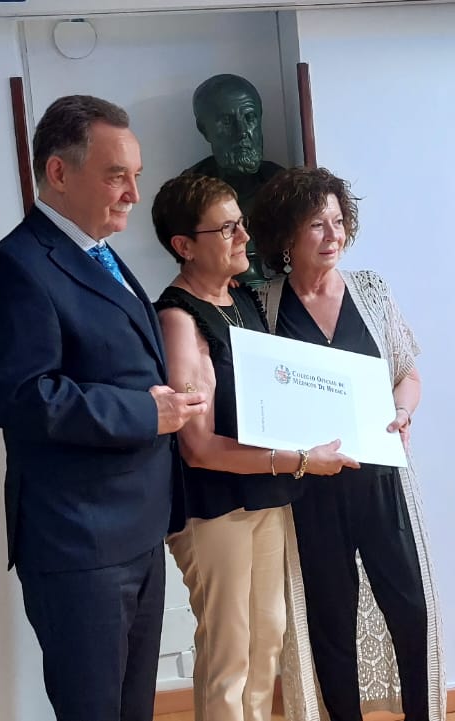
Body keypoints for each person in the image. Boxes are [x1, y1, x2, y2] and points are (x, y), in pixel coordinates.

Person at [0, 94, 207, 721]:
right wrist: (142, 413)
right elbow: (21, 396)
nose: (132, 193)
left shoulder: (100, 252)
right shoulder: (14, 269)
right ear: (58, 172)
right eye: (115, 175)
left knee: (133, 709)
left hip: (137, 527)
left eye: (136, 176)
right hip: (77, 539)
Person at [150, 172, 357, 721]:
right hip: (214, 506)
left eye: (241, 224)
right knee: (229, 654)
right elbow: (197, 447)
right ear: (184, 246)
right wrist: (302, 461)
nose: (243, 237)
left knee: (267, 642)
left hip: (267, 495)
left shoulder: (242, 300)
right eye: (227, 228)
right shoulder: (178, 317)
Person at [248, 167, 446, 721]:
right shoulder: (261, 305)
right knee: (330, 624)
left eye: (338, 222)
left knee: (411, 610)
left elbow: (408, 373)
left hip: (381, 484)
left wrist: (403, 412)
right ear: (287, 235)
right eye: (317, 224)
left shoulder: (372, 291)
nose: (333, 235)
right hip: (310, 491)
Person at [180, 73, 286, 287]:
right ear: (204, 129)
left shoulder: (283, 186)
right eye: (227, 122)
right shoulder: (190, 189)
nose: (243, 133)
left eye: (250, 118)